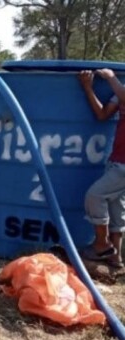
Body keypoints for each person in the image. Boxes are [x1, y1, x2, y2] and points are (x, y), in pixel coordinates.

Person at [78, 68, 125, 268]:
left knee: (95, 196)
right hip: (116, 160)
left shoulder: (121, 90)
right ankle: (115, 260)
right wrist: (88, 88)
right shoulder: (120, 92)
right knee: (116, 208)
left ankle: (101, 244)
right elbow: (102, 115)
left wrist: (111, 78)